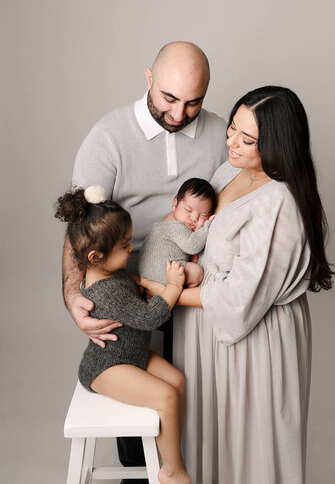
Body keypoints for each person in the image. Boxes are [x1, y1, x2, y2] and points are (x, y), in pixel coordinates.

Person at [141, 86, 335, 484]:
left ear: (279, 145)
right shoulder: (230, 169)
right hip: (202, 332)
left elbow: (238, 299)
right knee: (207, 433)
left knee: (249, 444)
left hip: (253, 341)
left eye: (247, 140)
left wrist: (165, 292)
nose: (231, 143)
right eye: (232, 129)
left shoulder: (282, 204)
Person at [61, 42, 227, 481]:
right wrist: (73, 293)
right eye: (169, 99)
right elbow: (81, 226)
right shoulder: (109, 136)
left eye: (194, 102)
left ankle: (194, 464)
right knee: (141, 396)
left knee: (192, 391)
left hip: (191, 287)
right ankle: (150, 472)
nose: (178, 114)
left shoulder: (219, 135)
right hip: (129, 292)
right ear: (149, 79)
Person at [56, 185, 191, 484]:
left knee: (178, 381)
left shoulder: (107, 272)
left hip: (131, 355)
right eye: (125, 244)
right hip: (108, 367)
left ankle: (166, 449)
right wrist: (172, 286)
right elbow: (149, 317)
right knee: (167, 395)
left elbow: (127, 280)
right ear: (96, 255)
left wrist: (138, 280)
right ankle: (172, 470)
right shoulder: (107, 291)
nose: (131, 248)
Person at [138, 178, 217, 287]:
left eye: (203, 215)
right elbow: (193, 246)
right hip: (159, 274)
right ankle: (176, 293)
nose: (194, 218)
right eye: (188, 210)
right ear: (175, 204)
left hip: (150, 273)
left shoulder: (172, 221)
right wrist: (206, 225)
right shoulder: (174, 226)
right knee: (196, 272)